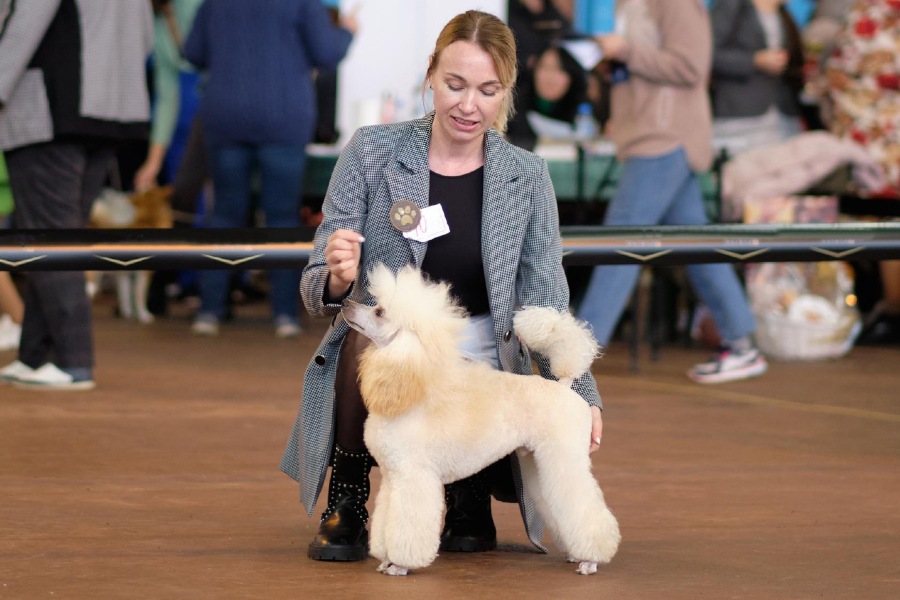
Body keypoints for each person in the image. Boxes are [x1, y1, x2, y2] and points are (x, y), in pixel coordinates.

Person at [280, 10, 604, 562]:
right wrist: (337, 277)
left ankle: (468, 490)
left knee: (479, 367)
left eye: (487, 90)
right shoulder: (371, 151)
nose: (468, 104)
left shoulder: (527, 176)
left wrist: (583, 394)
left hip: (484, 350)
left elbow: (548, 301)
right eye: (454, 84)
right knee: (369, 342)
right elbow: (315, 290)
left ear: (506, 93)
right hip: (391, 342)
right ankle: (351, 494)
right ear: (431, 74)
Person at [576, 0, 768, 385]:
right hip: (652, 137)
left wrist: (625, 50)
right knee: (694, 239)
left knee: (620, 240)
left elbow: (691, 66)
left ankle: (576, 356)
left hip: (665, 139)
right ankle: (741, 342)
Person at [0, 0, 152, 390]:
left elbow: (21, 26)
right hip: (112, 108)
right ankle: (35, 355)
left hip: (48, 108)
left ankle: (73, 360)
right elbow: (147, 39)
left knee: (50, 236)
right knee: (58, 235)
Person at [183, 0, 357, 338]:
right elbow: (327, 53)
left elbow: (193, 52)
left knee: (224, 216)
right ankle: (284, 316)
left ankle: (209, 311)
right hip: (283, 117)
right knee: (282, 217)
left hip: (226, 114)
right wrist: (347, 32)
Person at [823, 0, 900, 344]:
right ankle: (889, 308)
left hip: (876, 137)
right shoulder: (868, 11)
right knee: (884, 220)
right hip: (880, 138)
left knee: (884, 222)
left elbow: (841, 68)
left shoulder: (866, 12)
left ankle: (891, 309)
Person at [710, 0, 806, 152]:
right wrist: (754, 60)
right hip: (740, 115)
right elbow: (709, 54)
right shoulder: (732, 5)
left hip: (781, 116)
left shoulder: (784, 13)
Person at [506, 44, 591, 150]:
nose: (550, 77)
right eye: (544, 67)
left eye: (559, 69)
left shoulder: (584, 113)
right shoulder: (511, 109)